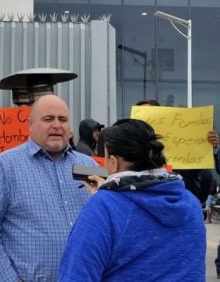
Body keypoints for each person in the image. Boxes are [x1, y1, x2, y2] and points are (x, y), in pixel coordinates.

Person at [59, 118, 206, 282]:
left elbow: (76, 275)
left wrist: (106, 201)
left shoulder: (102, 208)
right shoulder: (191, 203)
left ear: (113, 163)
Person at [0, 94, 96, 282]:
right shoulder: (2, 167)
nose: (56, 125)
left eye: (62, 119)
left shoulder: (89, 165)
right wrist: (10, 279)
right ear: (30, 124)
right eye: (48, 119)